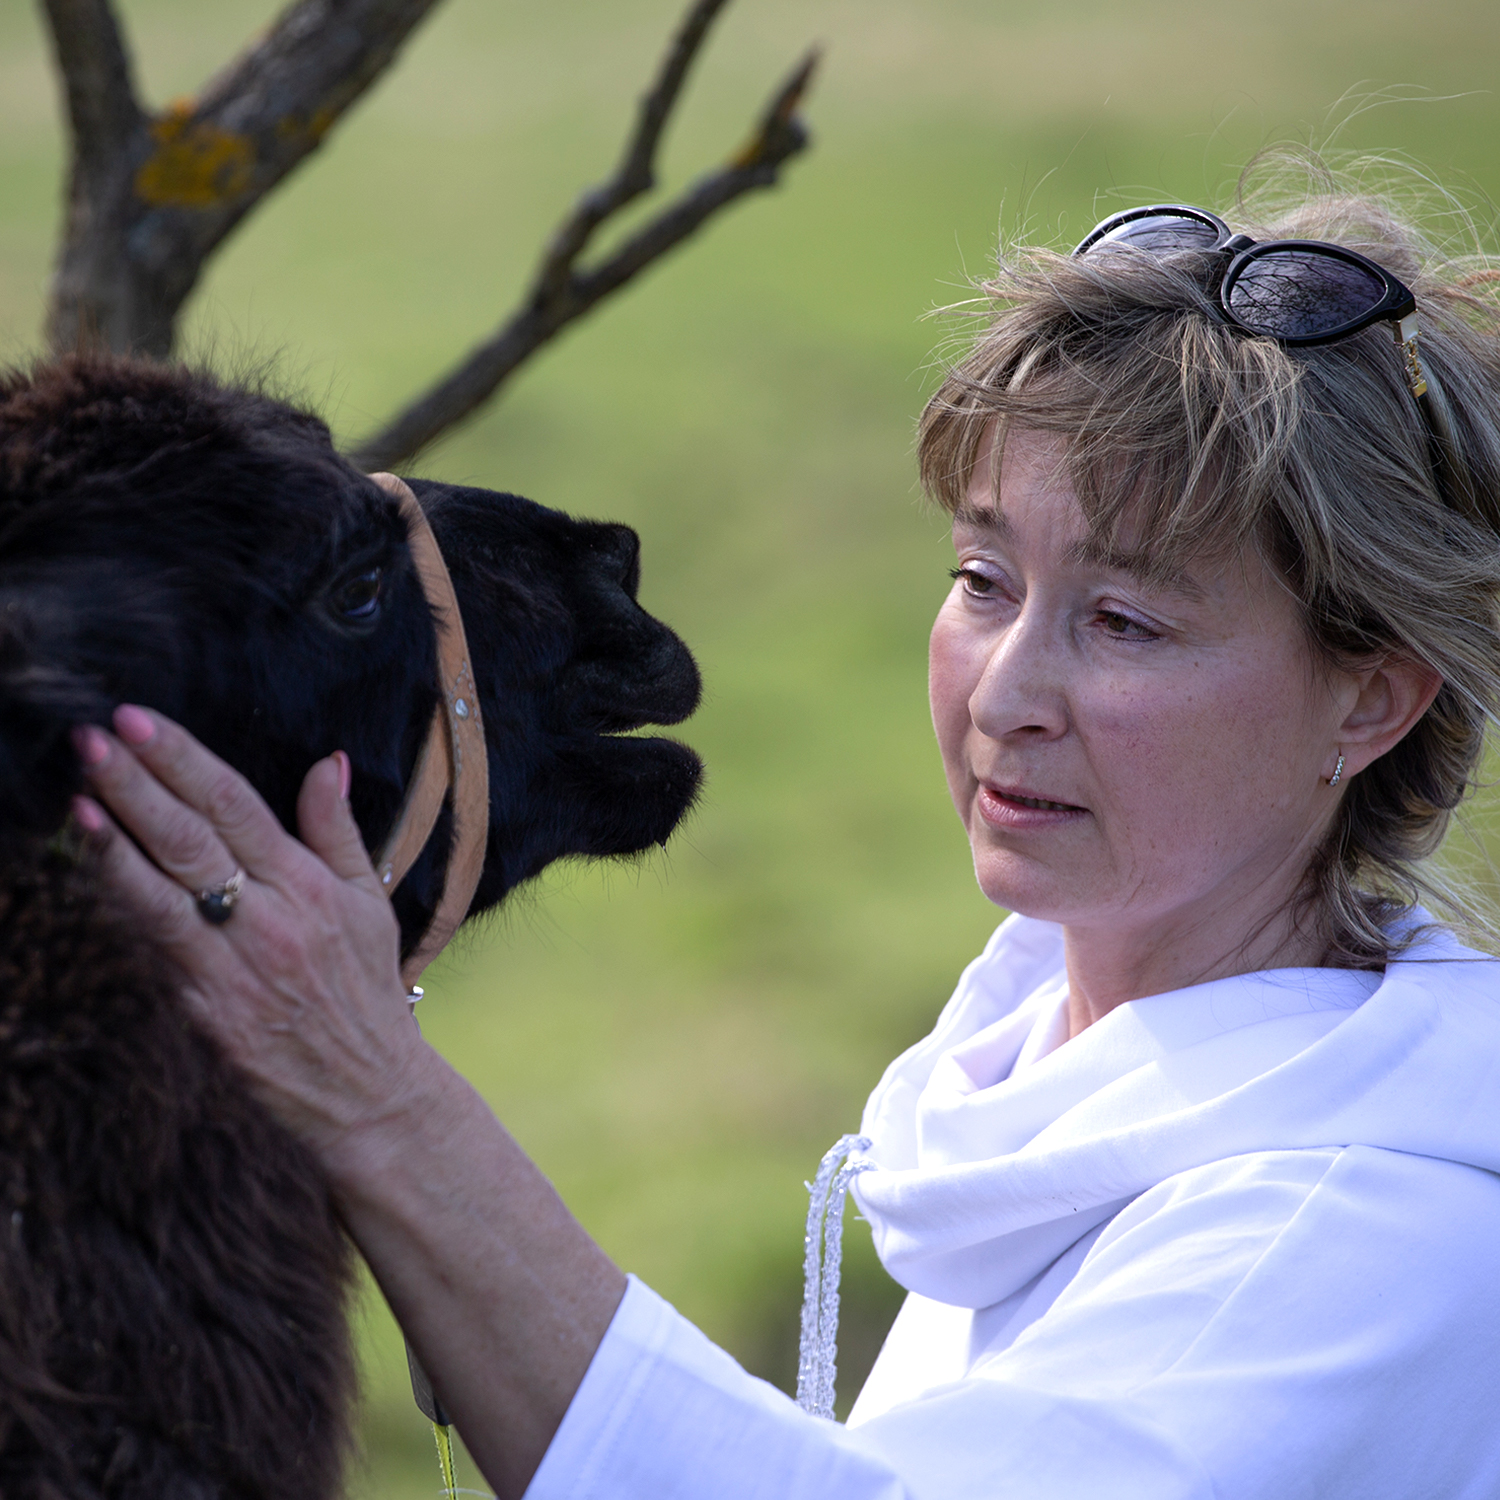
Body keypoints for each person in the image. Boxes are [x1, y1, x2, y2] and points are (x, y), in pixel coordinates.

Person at [72, 180, 1500, 1499]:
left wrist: (378, 1099)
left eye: (1126, 622)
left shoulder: (1357, 1237)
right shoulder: (1040, 1070)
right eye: (985, 580)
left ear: (1370, 697)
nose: (1005, 694)